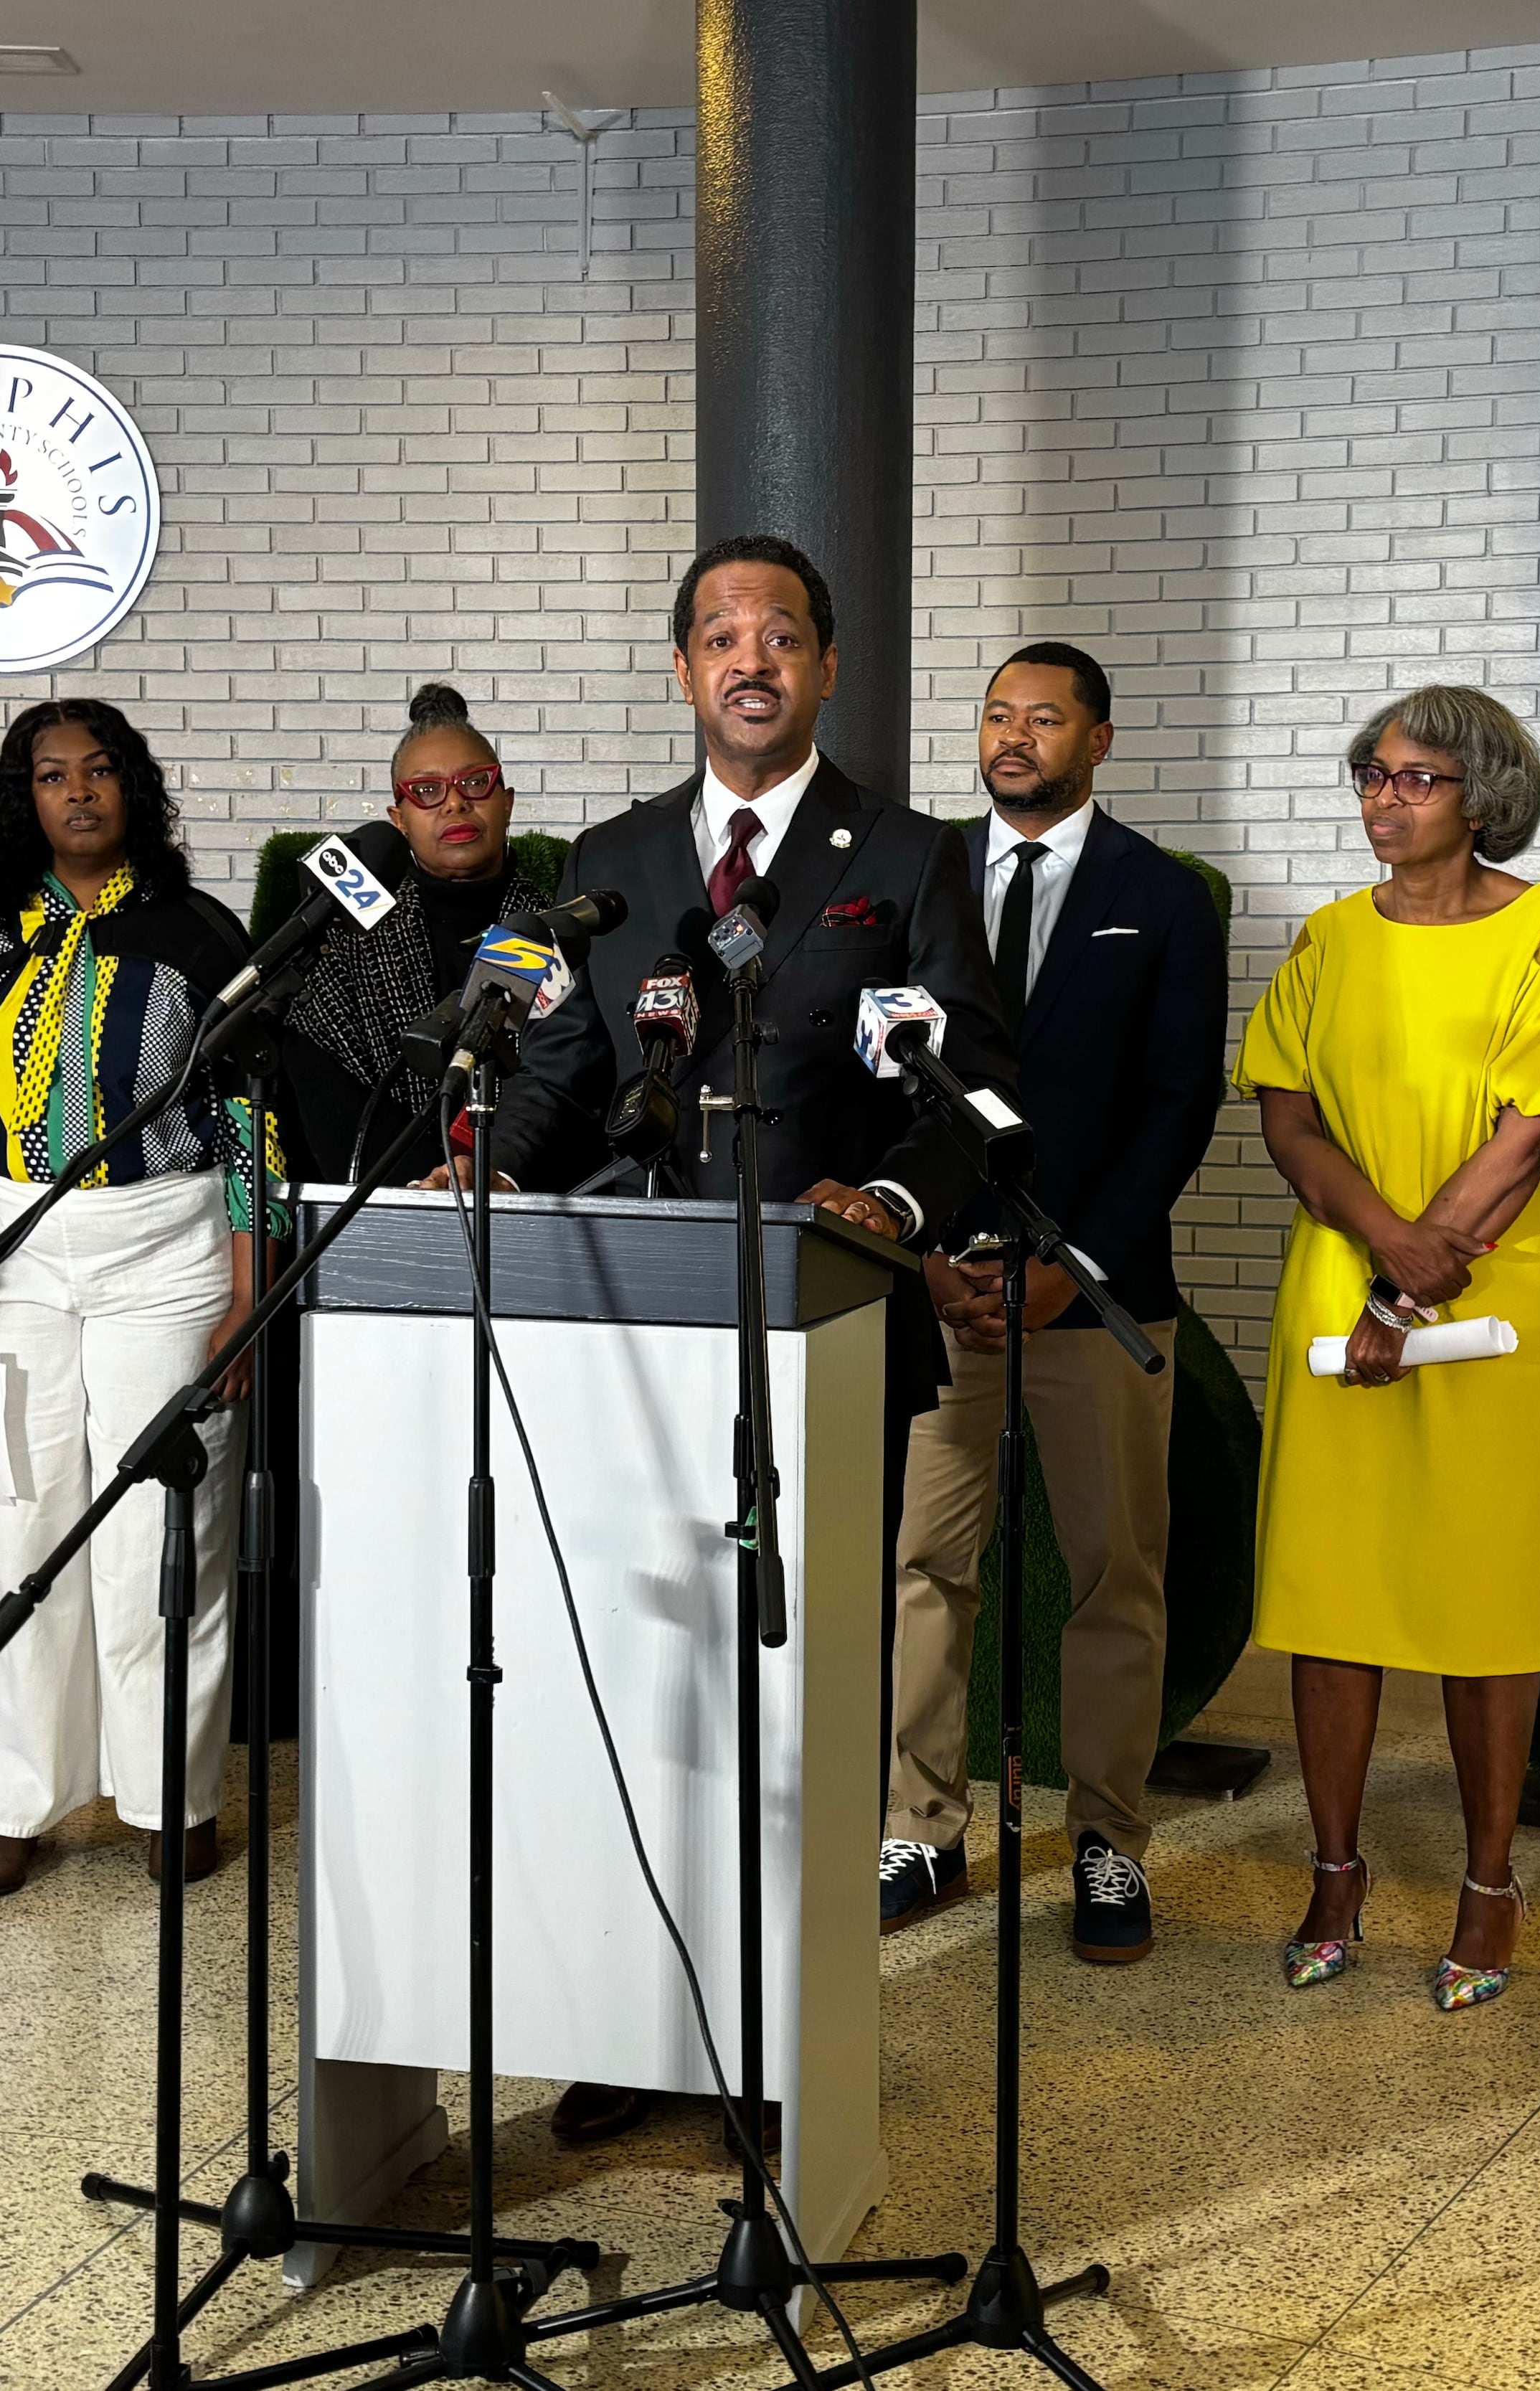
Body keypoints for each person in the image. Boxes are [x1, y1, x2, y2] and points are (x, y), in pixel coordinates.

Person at [496, 532, 1022, 2146]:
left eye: (781, 633)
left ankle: (785, 2031)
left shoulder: (913, 857)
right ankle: (642, 2021)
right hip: (635, 1335)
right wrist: (491, 1162)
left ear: (826, 667)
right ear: (682, 668)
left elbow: (974, 1090)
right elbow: (566, 1071)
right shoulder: (609, 859)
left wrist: (891, 1197)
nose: (750, 658)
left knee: (804, 1689)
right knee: (649, 1677)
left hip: (835, 1321)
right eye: (721, 634)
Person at [1237, 684, 1540, 2012]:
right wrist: (1387, 1248)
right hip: (1343, 1279)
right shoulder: (1329, 938)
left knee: (1486, 1597)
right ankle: (1333, 1874)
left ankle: (1489, 1883)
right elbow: (1288, 1117)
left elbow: (1534, 1132)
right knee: (1331, 1591)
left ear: (1484, 795)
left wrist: (1408, 1289)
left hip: (1495, 1300)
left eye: (1416, 777)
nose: (1384, 798)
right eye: (1371, 774)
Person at [0, 699, 272, 1901]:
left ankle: (169, 1794)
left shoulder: (199, 931)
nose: (79, 792)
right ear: (27, 799)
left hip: (161, 1247)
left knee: (163, 1519)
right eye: (52, 775)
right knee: (8, 1512)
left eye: (100, 770)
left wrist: (250, 1286)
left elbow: (250, 1116)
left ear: (133, 788)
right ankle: (10, 1799)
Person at [881, 641, 1225, 1965]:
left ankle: (1107, 1841)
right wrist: (925, 1257)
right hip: (942, 1290)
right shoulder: (917, 874)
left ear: (1099, 740)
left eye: (1043, 717)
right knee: (922, 1565)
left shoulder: (1163, 895)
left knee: (1116, 1577)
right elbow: (878, 1081)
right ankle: (922, 1825)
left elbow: (1176, 1107)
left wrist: (1064, 1264)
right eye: (995, 715)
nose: (1012, 736)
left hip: (1097, 1293)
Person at [278, 684, 562, 1189]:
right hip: (386, 1204)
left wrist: (495, 1177)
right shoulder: (349, 942)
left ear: (507, 803)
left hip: (528, 1197)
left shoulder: (554, 929)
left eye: (475, 783)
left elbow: (572, 1082)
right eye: (427, 791)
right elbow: (330, 1098)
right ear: (399, 820)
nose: (455, 803)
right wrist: (427, 1194)